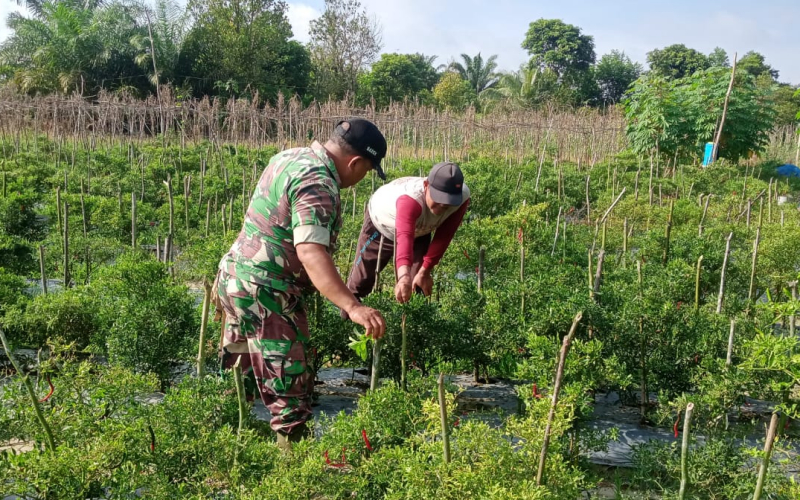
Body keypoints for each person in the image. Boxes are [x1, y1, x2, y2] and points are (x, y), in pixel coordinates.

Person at [213, 118, 388, 451]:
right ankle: (293, 476)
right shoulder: (318, 181)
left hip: (235, 280)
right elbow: (310, 251)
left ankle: (224, 454)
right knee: (289, 386)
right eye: (366, 171)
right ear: (355, 162)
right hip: (268, 293)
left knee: (238, 374)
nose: (362, 178)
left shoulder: (289, 156)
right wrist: (352, 305)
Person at [344, 162, 470, 307]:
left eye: (448, 202)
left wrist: (425, 271)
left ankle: (412, 327)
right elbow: (404, 237)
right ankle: (348, 321)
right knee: (362, 281)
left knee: (418, 286)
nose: (442, 206)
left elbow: (445, 235)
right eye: (439, 198)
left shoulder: (462, 198)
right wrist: (403, 277)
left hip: (420, 230)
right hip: (382, 225)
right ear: (427, 185)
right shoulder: (410, 200)